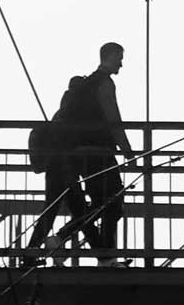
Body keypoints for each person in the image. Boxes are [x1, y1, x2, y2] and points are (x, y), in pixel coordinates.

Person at [58, 41, 136, 263]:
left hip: (80, 153)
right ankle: (71, 239)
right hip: (99, 153)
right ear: (109, 56)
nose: (121, 63)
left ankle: (104, 256)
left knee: (104, 202)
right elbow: (114, 121)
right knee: (112, 203)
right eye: (119, 57)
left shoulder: (86, 85)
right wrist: (129, 155)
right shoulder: (104, 84)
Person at [25, 77, 94, 262]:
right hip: (65, 168)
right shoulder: (77, 109)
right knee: (79, 212)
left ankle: (32, 251)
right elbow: (73, 140)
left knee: (65, 210)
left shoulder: (63, 110)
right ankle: (104, 254)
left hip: (57, 167)